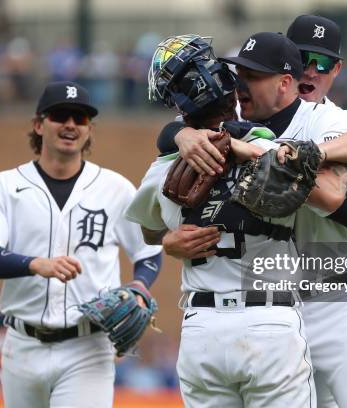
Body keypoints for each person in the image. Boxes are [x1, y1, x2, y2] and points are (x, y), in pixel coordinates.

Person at [128, 34, 315, 408]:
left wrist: (168, 240)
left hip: (202, 330)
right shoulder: (269, 149)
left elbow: (149, 231)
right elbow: (306, 170)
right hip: (269, 323)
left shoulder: (160, 170)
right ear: (226, 89)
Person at [0, 81, 162, 408]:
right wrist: (35, 263)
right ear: (38, 125)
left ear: (89, 130)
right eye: (60, 116)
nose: (70, 124)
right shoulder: (7, 186)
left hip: (88, 347)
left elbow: (148, 252)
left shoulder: (115, 188)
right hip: (22, 344)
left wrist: (140, 285)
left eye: (80, 119)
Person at [287, 15, 347, 408]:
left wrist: (312, 154)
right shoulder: (252, 119)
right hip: (277, 306)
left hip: (340, 300)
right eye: (301, 57)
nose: (311, 69)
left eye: (323, 62)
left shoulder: (344, 123)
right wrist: (183, 134)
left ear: (337, 69)